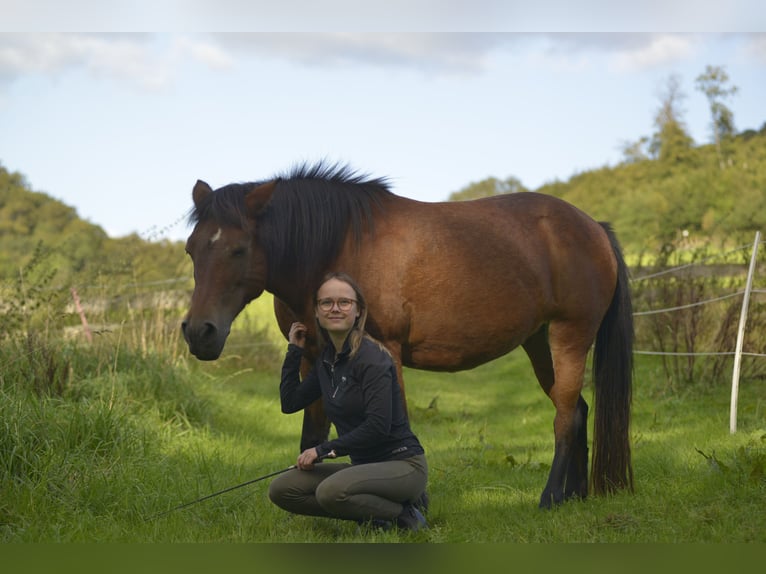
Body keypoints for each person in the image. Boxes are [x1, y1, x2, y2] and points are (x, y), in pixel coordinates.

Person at [268, 271, 429, 531]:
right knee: (282, 489)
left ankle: (404, 516)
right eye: (326, 303)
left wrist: (321, 450)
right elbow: (290, 403)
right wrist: (294, 351)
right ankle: (371, 513)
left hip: (401, 465)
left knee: (330, 491)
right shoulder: (326, 360)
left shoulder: (373, 358)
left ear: (358, 311)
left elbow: (378, 426)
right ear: (317, 313)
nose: (335, 308)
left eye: (344, 302)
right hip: (363, 468)